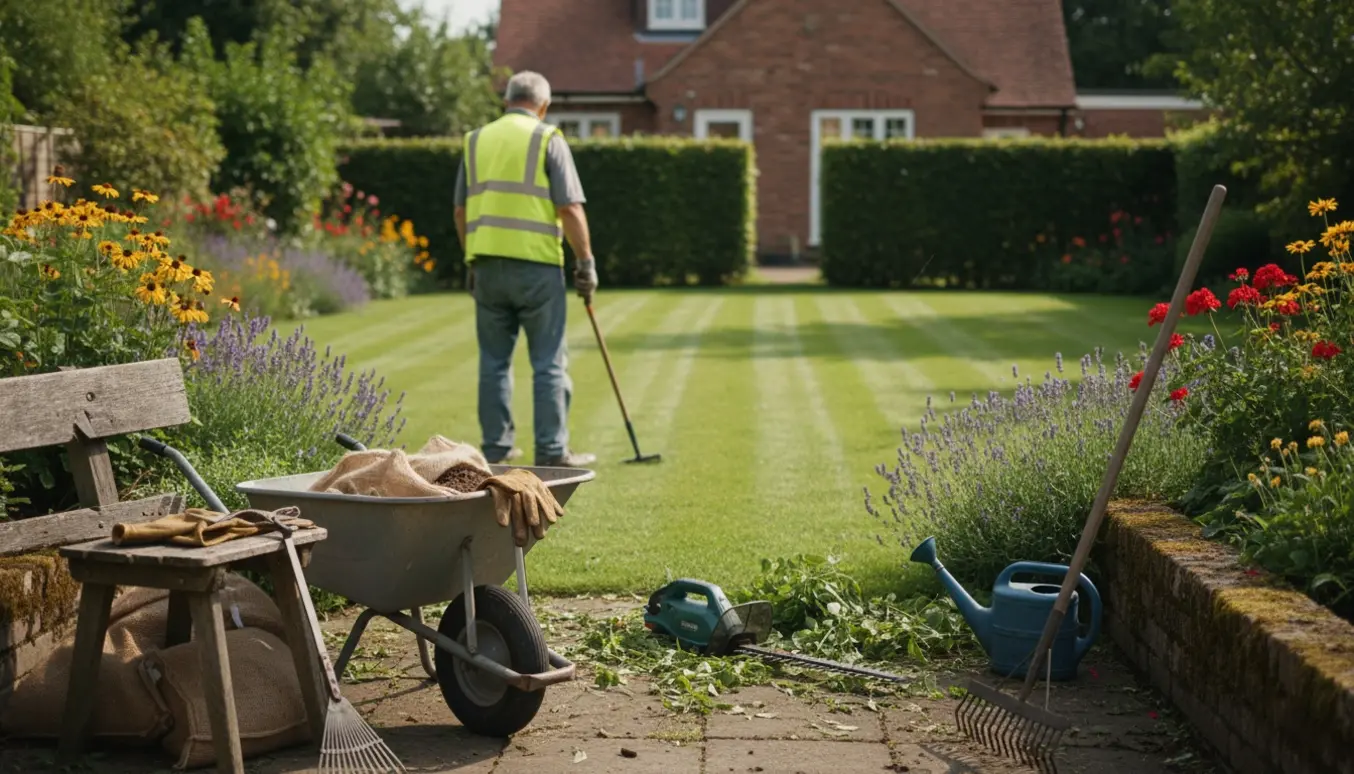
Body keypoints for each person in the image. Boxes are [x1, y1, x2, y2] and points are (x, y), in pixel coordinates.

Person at [454, 70, 598, 468]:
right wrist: (586, 263)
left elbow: (461, 210)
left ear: (506, 101)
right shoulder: (549, 139)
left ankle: (496, 450)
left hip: (487, 268)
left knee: (493, 361)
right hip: (537, 269)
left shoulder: (476, 141)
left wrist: (471, 260)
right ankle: (553, 452)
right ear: (544, 105)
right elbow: (569, 207)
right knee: (548, 361)